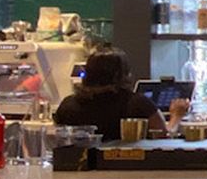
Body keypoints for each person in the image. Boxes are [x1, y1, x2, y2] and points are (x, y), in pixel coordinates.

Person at [53, 46, 183, 140]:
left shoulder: (68, 105)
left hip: (78, 171)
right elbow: (163, 136)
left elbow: (60, 140)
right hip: (128, 170)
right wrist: (176, 116)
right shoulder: (137, 104)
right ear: (122, 75)